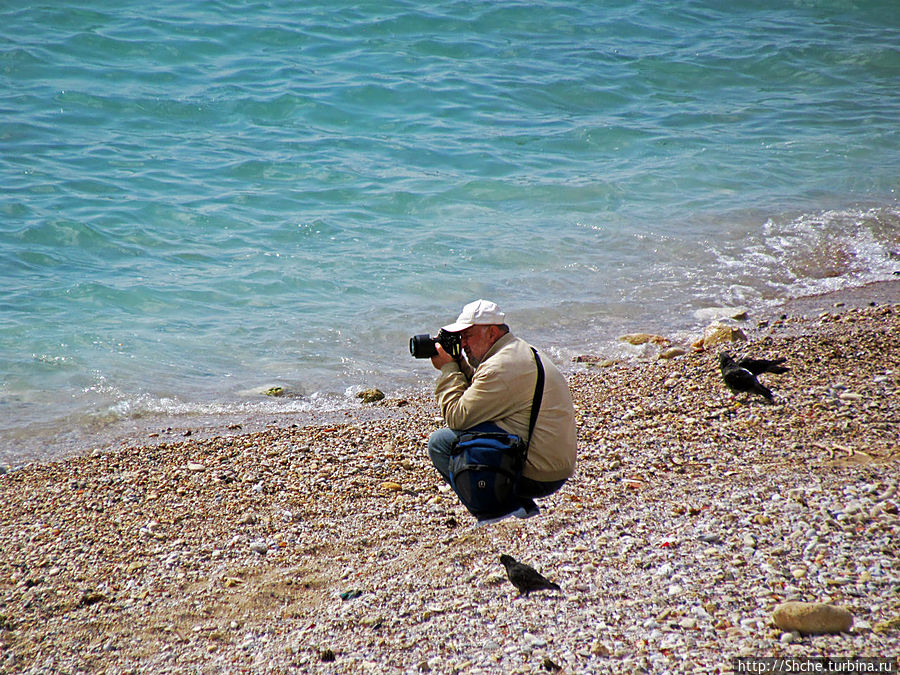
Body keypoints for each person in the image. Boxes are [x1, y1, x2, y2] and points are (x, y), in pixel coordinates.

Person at [427, 299, 577, 522]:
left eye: (468, 335)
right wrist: (460, 362)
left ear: (492, 332)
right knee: (473, 430)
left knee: (441, 442)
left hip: (540, 472)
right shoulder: (514, 351)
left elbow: (456, 417)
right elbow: (482, 396)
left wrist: (449, 369)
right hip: (553, 463)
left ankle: (496, 515)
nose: (463, 343)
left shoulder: (500, 366)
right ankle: (520, 507)